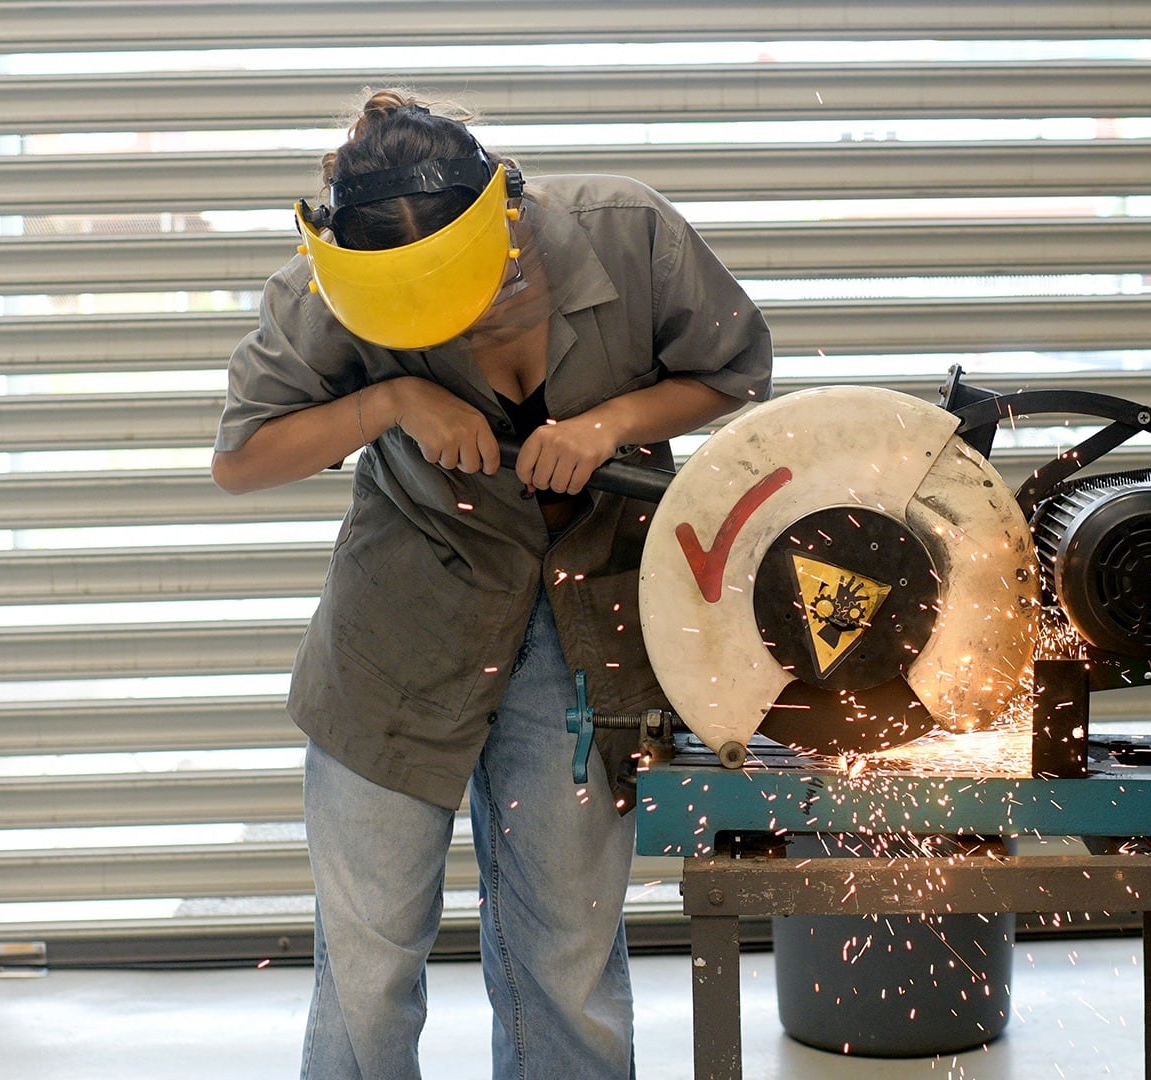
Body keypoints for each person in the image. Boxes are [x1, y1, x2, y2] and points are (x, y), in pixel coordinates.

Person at [211, 88, 773, 1079]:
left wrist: (610, 425)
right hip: (402, 632)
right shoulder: (331, 290)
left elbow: (732, 372)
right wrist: (391, 398)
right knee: (369, 966)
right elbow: (242, 457)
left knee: (566, 955)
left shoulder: (627, 234)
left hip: (585, 625)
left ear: (505, 222)